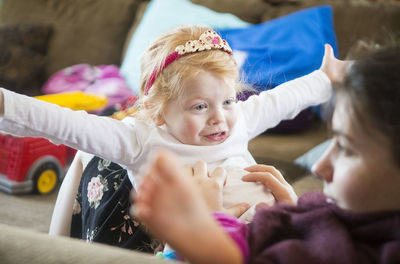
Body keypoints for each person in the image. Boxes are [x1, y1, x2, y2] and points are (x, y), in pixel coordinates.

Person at [0, 25, 344, 249]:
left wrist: (325, 78)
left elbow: (281, 100)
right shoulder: (139, 139)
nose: (219, 118)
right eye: (199, 107)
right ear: (159, 111)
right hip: (190, 244)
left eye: (227, 100)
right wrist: (5, 105)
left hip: (259, 233)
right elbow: (64, 123)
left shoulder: (237, 121)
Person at [132, 46, 400, 263]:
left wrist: (209, 228)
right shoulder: (333, 214)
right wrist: (293, 215)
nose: (319, 167)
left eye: (347, 148)